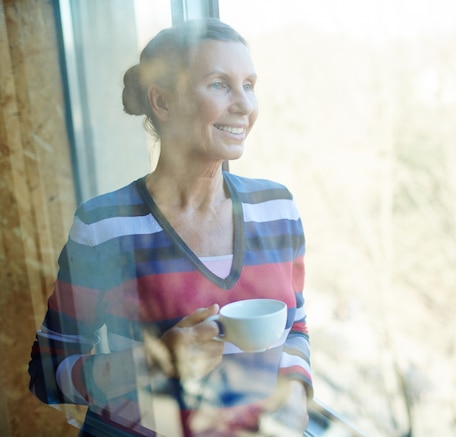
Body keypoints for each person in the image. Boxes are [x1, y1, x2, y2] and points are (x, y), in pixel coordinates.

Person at [28, 18, 312, 436]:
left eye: (249, 85)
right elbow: (48, 372)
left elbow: (296, 329)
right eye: (219, 84)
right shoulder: (106, 226)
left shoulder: (277, 208)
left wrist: (293, 397)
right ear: (162, 102)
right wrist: (154, 361)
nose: (245, 105)